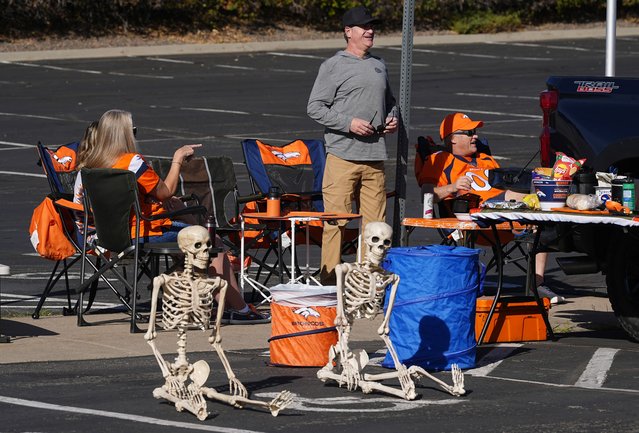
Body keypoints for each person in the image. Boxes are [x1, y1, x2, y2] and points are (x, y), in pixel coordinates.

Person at [73, 109, 270, 323]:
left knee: (191, 243)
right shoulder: (132, 162)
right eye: (134, 131)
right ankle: (239, 310)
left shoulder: (90, 166)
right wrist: (177, 159)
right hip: (140, 232)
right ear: (124, 135)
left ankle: (199, 303)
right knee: (211, 246)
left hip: (104, 236)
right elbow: (165, 191)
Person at [415, 112, 565, 304]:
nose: (475, 136)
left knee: (541, 211)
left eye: (475, 131)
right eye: (469, 132)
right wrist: (453, 187)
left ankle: (537, 282)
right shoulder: (440, 161)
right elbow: (427, 195)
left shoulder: (486, 158)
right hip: (472, 218)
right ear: (453, 139)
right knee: (532, 199)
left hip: (504, 215)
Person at [307, 5, 398, 285]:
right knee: (336, 223)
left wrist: (393, 117)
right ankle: (329, 281)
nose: (370, 31)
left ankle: (365, 281)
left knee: (376, 228)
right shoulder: (334, 66)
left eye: (372, 27)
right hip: (342, 157)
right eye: (364, 27)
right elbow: (315, 107)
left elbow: (390, 102)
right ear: (348, 32)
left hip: (374, 158)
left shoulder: (378, 64)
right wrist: (350, 123)